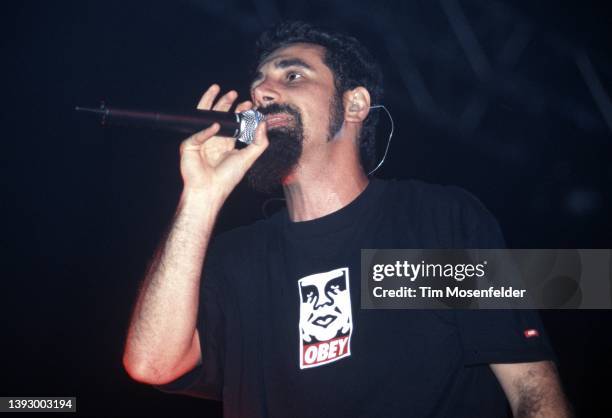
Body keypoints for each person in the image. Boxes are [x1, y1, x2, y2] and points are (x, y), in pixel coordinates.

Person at [123, 21, 572, 418]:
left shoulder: (436, 221)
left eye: (292, 74)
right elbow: (152, 363)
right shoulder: (237, 261)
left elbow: (531, 388)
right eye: (258, 80)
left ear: (354, 105)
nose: (261, 91)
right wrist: (200, 197)